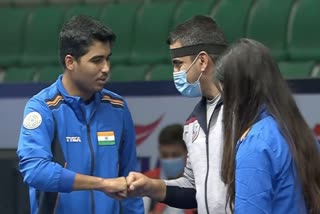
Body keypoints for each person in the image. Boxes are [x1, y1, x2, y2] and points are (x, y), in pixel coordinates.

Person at [16, 15, 144, 214]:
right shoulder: (43, 108)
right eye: (96, 60)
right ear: (70, 62)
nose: (106, 69)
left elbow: (129, 179)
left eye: (108, 58)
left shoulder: (117, 107)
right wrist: (100, 183)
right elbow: (35, 171)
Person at [126, 15, 230, 214]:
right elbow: (192, 189)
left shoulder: (245, 113)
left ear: (202, 61)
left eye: (178, 64)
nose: (175, 72)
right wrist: (149, 186)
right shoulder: (194, 122)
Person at [212, 38, 320, 213]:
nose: (225, 105)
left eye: (226, 96)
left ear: (238, 93)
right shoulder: (302, 134)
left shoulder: (255, 143)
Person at [143, 124, 195, 214]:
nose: (169, 160)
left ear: (187, 153)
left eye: (175, 155)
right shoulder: (147, 180)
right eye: (165, 155)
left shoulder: (197, 185)